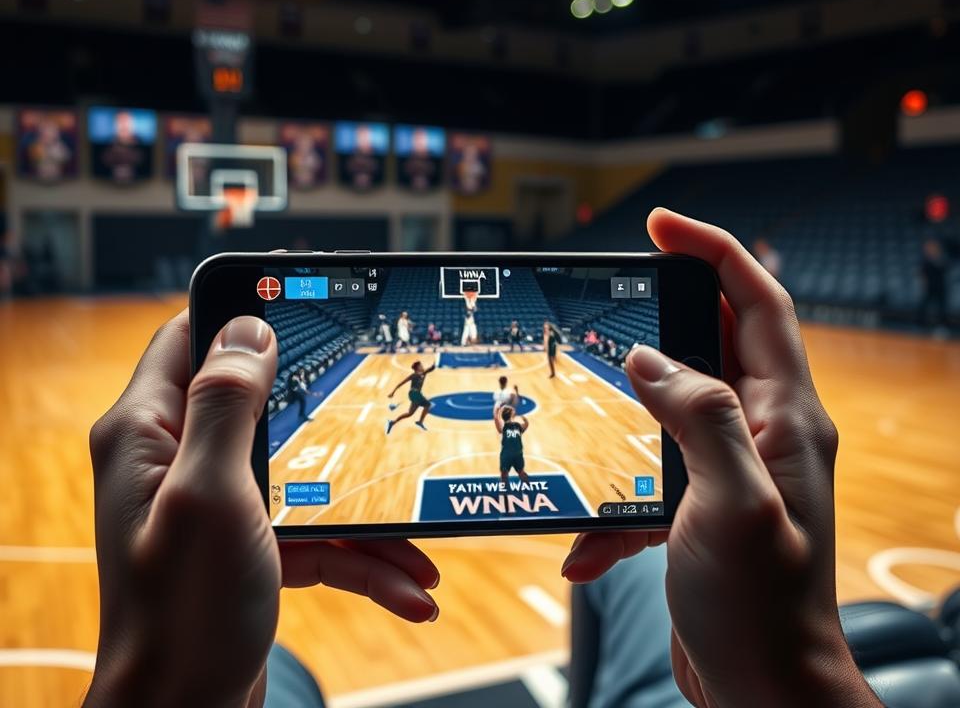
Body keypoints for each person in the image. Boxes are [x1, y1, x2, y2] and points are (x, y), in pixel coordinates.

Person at [85, 208, 881, 708]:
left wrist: (160, 693)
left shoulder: (512, 383)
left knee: (284, 673)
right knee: (634, 563)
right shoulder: (462, 371)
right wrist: (794, 678)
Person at [386, 360, 436, 434]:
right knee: (428, 404)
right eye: (421, 365)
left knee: (410, 413)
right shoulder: (414, 375)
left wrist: (434, 364)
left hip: (417, 394)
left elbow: (431, 368)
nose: (423, 366)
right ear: (418, 367)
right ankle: (420, 422)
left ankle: (392, 422)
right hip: (414, 394)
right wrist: (393, 392)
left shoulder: (424, 373)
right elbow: (401, 383)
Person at [495, 404, 530, 484]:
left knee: (521, 472)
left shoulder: (517, 425)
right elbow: (497, 421)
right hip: (506, 455)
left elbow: (526, 425)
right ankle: (504, 491)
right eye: (512, 411)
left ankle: (528, 485)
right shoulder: (503, 426)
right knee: (504, 474)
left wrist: (525, 420)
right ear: (510, 414)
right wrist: (498, 412)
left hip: (518, 454)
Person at [919, 237, 948, 332]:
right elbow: (922, 274)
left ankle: (941, 326)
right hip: (930, 287)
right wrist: (924, 284)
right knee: (924, 305)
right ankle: (922, 325)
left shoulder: (941, 259)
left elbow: (945, 269)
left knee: (941, 308)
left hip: (940, 287)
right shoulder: (925, 260)